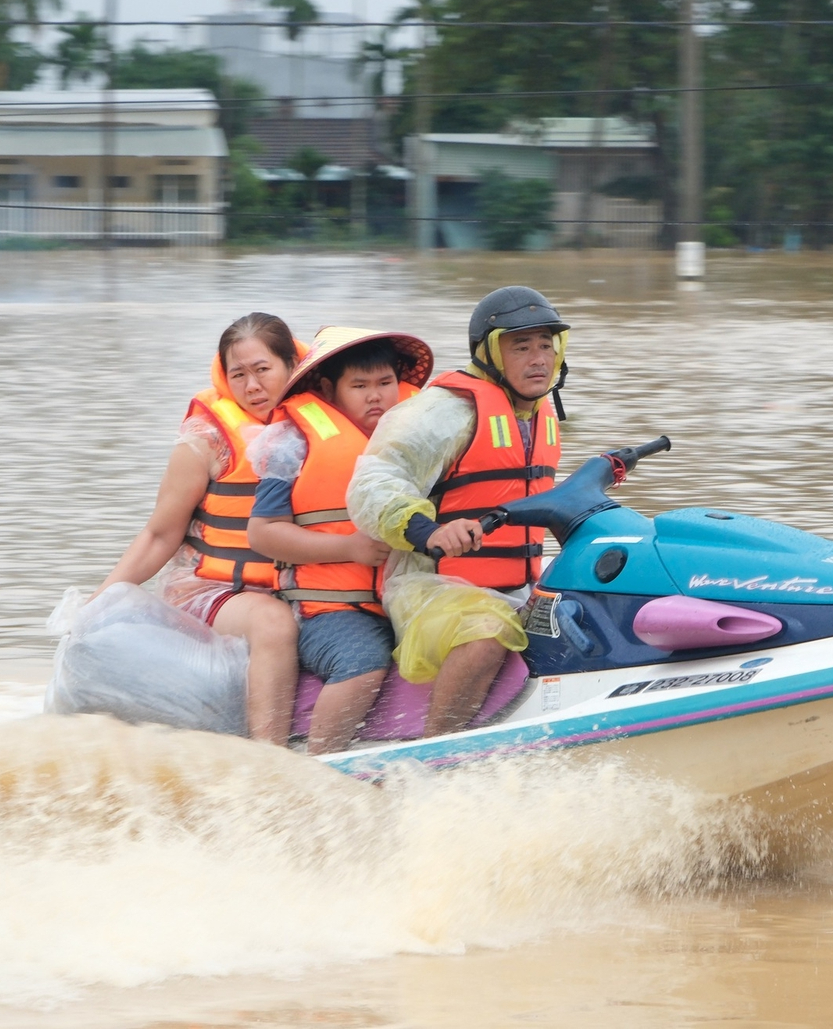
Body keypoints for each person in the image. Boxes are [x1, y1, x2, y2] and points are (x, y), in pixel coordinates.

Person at [348, 287, 568, 737]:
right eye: (521, 346)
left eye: (546, 345)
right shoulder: (447, 411)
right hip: (429, 588)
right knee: (486, 631)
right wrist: (428, 531)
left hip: (517, 583)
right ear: (489, 353)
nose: (538, 358)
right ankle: (438, 749)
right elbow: (372, 483)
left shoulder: (539, 412)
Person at [99, 312, 302, 744]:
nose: (252, 386)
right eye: (239, 375)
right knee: (272, 622)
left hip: (298, 583)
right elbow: (159, 534)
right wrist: (101, 604)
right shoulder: (205, 440)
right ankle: (270, 762)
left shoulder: (323, 421)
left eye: (263, 370)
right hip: (210, 589)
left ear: (291, 365)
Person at [245, 328, 433, 752]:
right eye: (359, 386)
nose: (376, 397)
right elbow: (262, 533)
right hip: (324, 610)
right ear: (329, 390)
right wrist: (349, 548)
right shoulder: (291, 442)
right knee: (362, 662)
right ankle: (321, 766)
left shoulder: (416, 438)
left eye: (385, 383)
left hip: (402, 598)